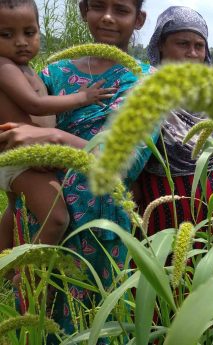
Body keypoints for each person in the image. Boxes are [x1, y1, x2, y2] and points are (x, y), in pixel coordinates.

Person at [0, 0, 154, 340]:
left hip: (101, 233)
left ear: (139, 19)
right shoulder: (52, 73)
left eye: (122, 9)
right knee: (40, 326)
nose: (108, 17)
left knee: (100, 325)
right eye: (98, 5)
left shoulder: (147, 82)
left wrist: (51, 136)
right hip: (42, 229)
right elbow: (15, 131)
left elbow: (124, 159)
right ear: (84, 11)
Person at [0, 0, 115, 253]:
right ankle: (26, 273)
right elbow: (36, 105)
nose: (20, 41)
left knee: (14, 209)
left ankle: (5, 266)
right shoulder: (4, 67)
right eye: (6, 34)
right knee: (57, 218)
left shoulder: (23, 68)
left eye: (29, 33)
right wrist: (83, 98)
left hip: (25, 158)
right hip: (20, 160)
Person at [135, 6, 213, 235]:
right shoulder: (146, 90)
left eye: (199, 46)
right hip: (167, 215)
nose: (193, 53)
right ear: (161, 46)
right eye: (183, 44)